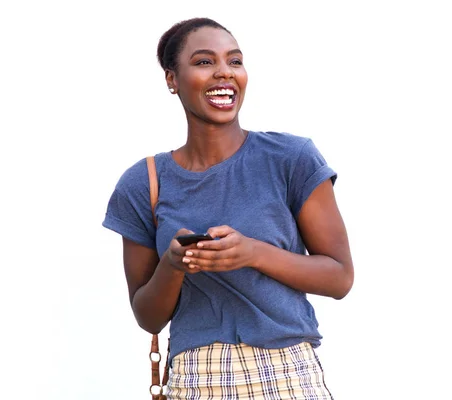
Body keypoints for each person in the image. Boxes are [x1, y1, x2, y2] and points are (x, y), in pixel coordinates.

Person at [102, 17, 354, 399]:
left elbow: (339, 278)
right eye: (204, 62)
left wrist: (252, 253)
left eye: (234, 61)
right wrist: (173, 265)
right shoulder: (144, 183)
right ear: (172, 79)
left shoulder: (291, 159)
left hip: (287, 371)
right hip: (197, 377)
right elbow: (147, 316)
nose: (224, 72)